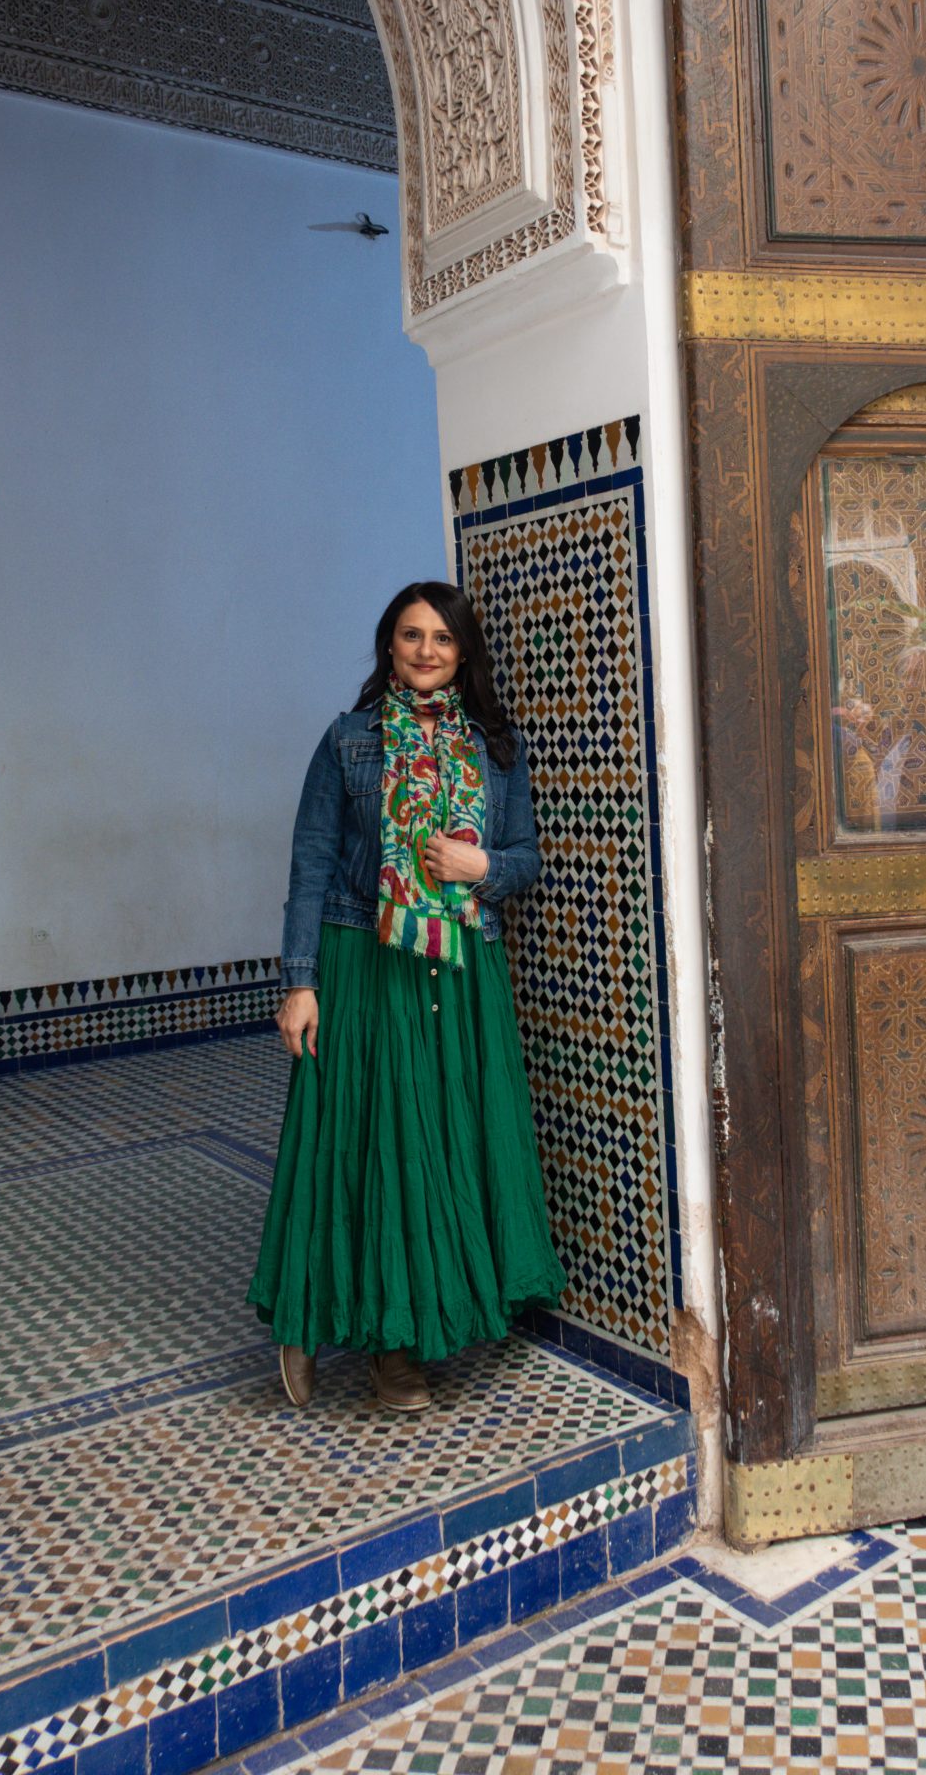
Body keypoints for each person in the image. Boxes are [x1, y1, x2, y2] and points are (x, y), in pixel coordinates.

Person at [247, 580, 566, 1413]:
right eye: (411, 636)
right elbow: (310, 866)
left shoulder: (497, 750)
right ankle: (305, 1320)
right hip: (366, 962)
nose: (427, 651)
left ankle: (402, 1352)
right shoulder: (350, 742)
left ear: (465, 654)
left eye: (443, 639)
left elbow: (526, 856)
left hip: (462, 967)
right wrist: (300, 984)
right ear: (389, 645)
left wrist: (483, 868)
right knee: (353, 1140)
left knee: (435, 1149)